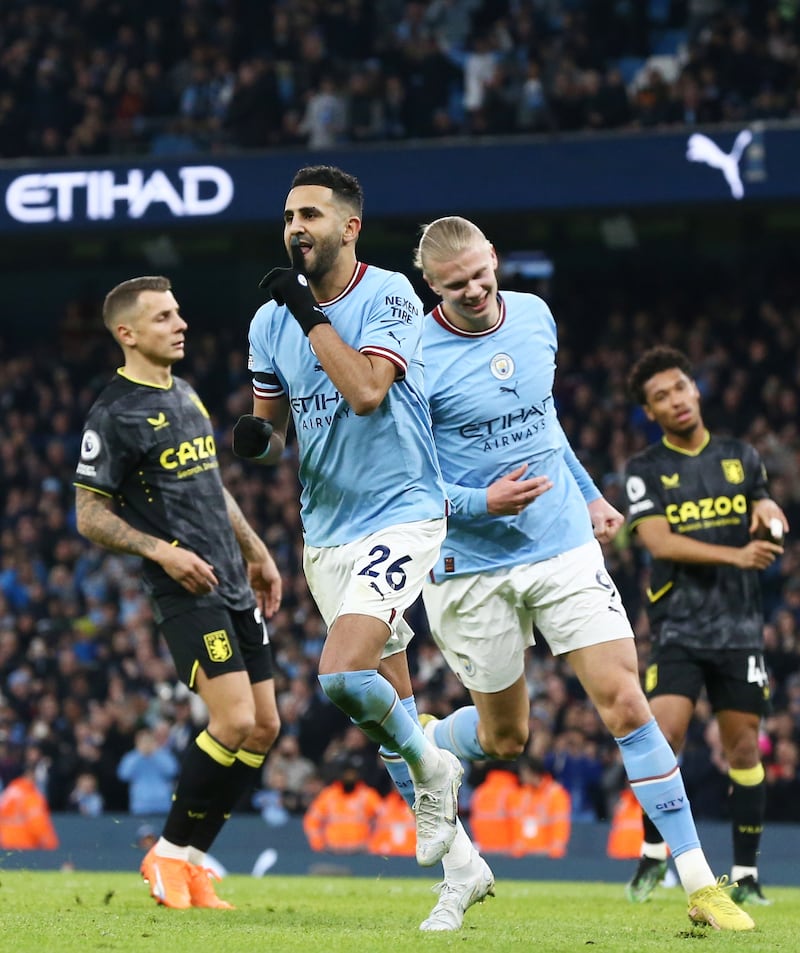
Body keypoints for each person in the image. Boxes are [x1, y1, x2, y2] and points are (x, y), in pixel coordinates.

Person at [412, 215, 754, 932]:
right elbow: (404, 484)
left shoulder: (535, 316)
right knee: (507, 738)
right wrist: (482, 500)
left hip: (561, 543)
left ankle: (699, 881)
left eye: (481, 272)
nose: (474, 289)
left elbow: (544, 420)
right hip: (468, 565)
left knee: (627, 704)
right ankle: (428, 742)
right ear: (430, 286)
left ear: (495, 258)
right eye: (456, 283)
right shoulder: (413, 355)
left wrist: (592, 492)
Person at [233, 165, 493, 931]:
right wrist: (259, 439)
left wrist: (305, 310)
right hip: (328, 531)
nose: (294, 227)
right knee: (391, 713)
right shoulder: (268, 323)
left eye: (310, 213)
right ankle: (462, 870)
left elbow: (366, 392)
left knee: (341, 676)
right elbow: (275, 426)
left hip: (404, 512)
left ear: (349, 227)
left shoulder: (386, 295)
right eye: (287, 216)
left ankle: (437, 767)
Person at [74, 275, 282, 910]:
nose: (180, 323)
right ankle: (165, 853)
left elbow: (210, 486)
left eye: (178, 312)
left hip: (231, 579)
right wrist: (161, 551)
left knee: (265, 726)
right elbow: (88, 514)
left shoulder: (187, 394)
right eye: (164, 317)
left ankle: (192, 860)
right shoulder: (114, 413)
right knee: (235, 719)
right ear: (128, 334)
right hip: (183, 589)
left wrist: (256, 551)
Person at [623, 344, 789, 905]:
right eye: (660, 397)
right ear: (651, 411)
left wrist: (769, 514)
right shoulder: (645, 469)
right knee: (662, 739)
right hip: (678, 627)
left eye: (679, 388)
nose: (674, 401)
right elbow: (657, 541)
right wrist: (736, 556)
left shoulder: (742, 456)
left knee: (744, 750)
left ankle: (746, 875)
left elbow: (764, 505)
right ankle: (652, 855)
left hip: (739, 628)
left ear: (696, 389)